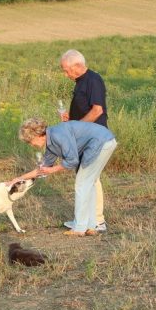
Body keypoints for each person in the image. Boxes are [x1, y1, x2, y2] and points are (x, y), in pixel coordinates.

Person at [10, 118, 117, 237]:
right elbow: (42, 169)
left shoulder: (58, 135)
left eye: (30, 141)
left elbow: (72, 160)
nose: (31, 145)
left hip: (101, 142)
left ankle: (80, 228)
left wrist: (53, 169)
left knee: (82, 184)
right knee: (88, 184)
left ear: (38, 134)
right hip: (105, 141)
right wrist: (19, 178)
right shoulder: (51, 143)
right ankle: (91, 226)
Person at [59, 49, 108, 232]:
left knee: (90, 178)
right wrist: (70, 119)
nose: (65, 74)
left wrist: (76, 127)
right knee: (84, 176)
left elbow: (97, 111)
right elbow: (84, 110)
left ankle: (97, 221)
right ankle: (86, 219)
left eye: (66, 70)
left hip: (94, 136)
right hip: (83, 136)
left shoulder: (93, 80)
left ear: (78, 65)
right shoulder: (79, 82)